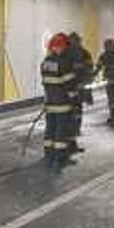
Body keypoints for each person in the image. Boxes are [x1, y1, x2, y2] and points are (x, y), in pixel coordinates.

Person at [41, 33, 78, 168]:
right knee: (61, 132)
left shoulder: (45, 63)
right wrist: (74, 100)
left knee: (50, 130)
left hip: (50, 103)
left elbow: (46, 83)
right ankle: (61, 158)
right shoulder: (64, 62)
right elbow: (70, 85)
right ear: (62, 47)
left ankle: (48, 155)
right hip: (63, 104)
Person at [66, 32, 94, 150]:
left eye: (75, 40)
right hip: (69, 88)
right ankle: (70, 138)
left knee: (76, 111)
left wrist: (87, 89)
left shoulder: (85, 54)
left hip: (79, 87)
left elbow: (89, 71)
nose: (73, 43)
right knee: (70, 113)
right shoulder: (65, 53)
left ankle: (75, 133)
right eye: (71, 41)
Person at [95, 38, 114, 127]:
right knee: (111, 99)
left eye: (109, 46)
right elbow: (98, 66)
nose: (107, 48)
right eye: (106, 46)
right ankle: (113, 116)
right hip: (109, 80)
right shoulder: (104, 56)